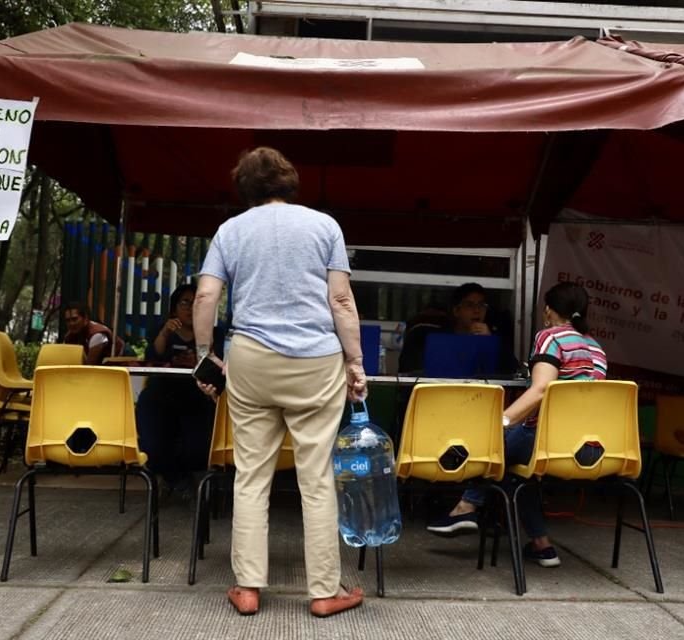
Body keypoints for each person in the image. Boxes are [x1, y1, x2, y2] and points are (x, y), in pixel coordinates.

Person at [192, 147, 367, 618]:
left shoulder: (230, 230)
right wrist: (355, 362)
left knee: (251, 476)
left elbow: (206, 295)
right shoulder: (324, 226)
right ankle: (324, 592)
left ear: (244, 187)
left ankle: (248, 588)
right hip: (316, 360)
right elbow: (341, 301)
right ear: (289, 181)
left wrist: (205, 355)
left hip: (251, 359)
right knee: (317, 478)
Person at [425, 282, 607, 569]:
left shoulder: (550, 337)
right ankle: (542, 547)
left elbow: (541, 389)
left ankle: (466, 506)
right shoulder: (595, 348)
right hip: (589, 447)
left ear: (548, 310)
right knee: (515, 474)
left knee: (490, 443)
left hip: (545, 439)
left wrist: (501, 421)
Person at [135, 285, 221, 497]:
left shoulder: (213, 333)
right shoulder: (162, 330)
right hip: (161, 393)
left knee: (198, 446)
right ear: (174, 308)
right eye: (185, 302)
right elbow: (152, 357)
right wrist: (165, 333)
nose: (191, 308)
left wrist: (199, 361)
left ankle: (190, 481)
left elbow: (218, 366)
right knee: (152, 442)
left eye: (196, 303)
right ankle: (173, 478)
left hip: (197, 395)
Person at [398, 283, 516, 375]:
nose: (477, 310)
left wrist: (490, 342)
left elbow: (512, 370)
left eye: (481, 305)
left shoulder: (492, 336)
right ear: (456, 311)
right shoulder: (440, 338)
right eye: (469, 305)